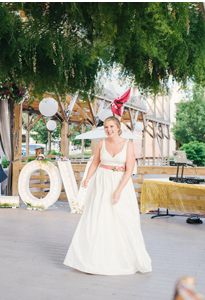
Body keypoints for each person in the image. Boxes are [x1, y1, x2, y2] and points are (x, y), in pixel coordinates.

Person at [63, 116, 152, 275]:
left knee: (123, 219)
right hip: (102, 183)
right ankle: (94, 258)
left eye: (111, 126)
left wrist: (118, 190)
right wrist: (87, 178)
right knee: (99, 217)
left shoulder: (128, 145)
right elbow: (95, 163)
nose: (109, 130)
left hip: (120, 183)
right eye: (106, 127)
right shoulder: (101, 144)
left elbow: (129, 169)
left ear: (118, 128)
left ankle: (124, 257)